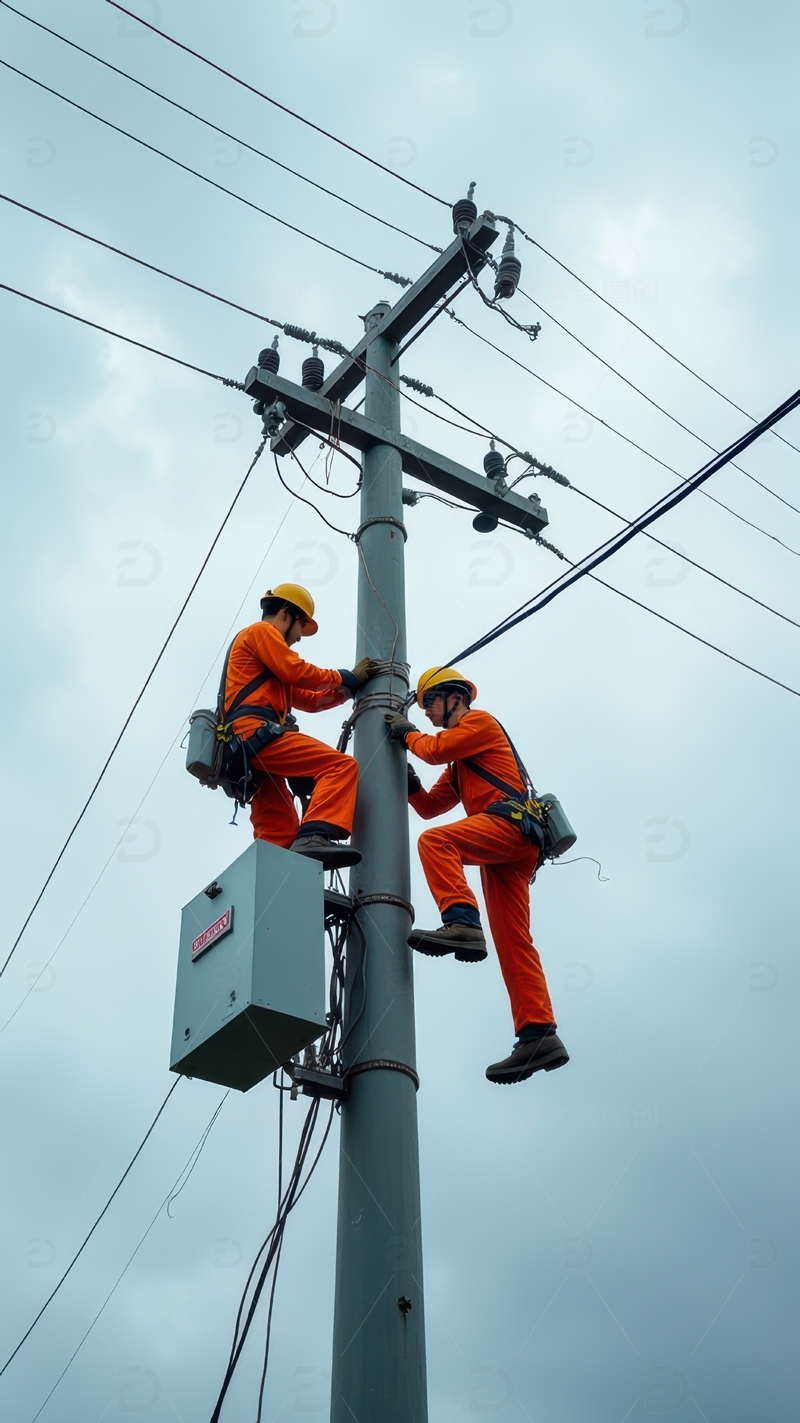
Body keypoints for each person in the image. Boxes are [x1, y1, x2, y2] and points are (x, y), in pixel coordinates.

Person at [385, 666, 569, 1084]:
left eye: (430, 702)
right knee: (513, 941)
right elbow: (430, 806)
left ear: (455, 697)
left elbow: (432, 749)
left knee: (436, 843)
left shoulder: (480, 723)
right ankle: (539, 1034)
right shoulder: (460, 763)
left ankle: (463, 922)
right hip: (511, 847)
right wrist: (410, 783)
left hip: (510, 827)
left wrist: (406, 733)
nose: (427, 712)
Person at [222, 583, 377, 868]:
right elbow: (296, 670)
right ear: (285, 613)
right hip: (254, 733)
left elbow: (310, 699)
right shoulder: (262, 632)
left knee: (278, 829)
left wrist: (348, 689)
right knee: (339, 766)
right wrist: (345, 677)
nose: (298, 638)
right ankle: (313, 837)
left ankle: (275, 874)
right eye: (300, 628)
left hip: (246, 749)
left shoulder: (269, 666)